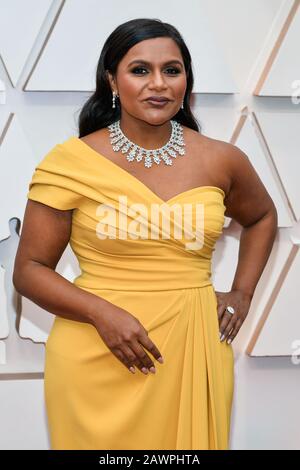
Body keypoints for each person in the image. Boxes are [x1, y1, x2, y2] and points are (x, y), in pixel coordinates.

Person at [13, 18, 277, 450]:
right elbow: (29, 270)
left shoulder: (222, 160)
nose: (159, 84)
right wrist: (103, 314)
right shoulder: (70, 162)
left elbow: (263, 216)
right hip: (96, 352)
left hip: (193, 348)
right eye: (140, 70)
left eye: (171, 70)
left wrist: (242, 293)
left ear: (186, 82)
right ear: (111, 80)